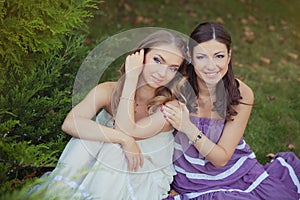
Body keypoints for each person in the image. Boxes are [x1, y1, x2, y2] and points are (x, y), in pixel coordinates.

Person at [28, 30, 191, 199]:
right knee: (88, 139)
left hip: (143, 177)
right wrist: (124, 140)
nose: (162, 73)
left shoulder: (169, 108)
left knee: (113, 149)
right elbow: (70, 123)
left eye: (172, 68)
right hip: (101, 167)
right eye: (157, 60)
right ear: (139, 56)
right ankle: (57, 194)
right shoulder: (107, 90)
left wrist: (131, 79)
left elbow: (125, 129)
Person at [161, 22, 300, 199]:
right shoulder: (177, 86)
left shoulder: (242, 93)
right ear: (190, 56)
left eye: (219, 56)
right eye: (202, 57)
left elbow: (221, 159)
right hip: (192, 180)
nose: (211, 66)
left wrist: (188, 127)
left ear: (229, 56)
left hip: (236, 172)